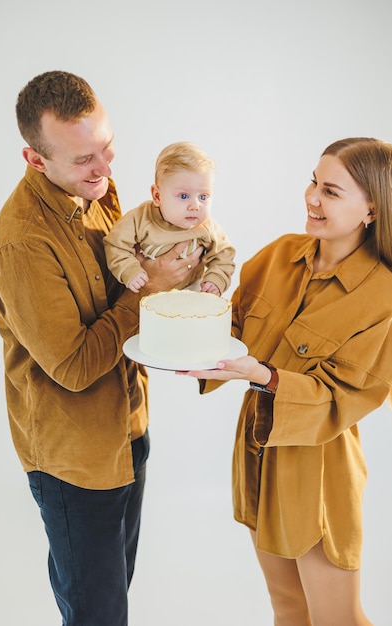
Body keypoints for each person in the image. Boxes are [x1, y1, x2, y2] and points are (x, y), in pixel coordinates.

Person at [0, 70, 203, 626]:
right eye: (84, 159)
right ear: (36, 160)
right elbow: (76, 367)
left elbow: (126, 286)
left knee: (111, 599)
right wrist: (151, 286)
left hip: (127, 431)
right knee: (97, 615)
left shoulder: (98, 190)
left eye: (106, 147)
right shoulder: (22, 244)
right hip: (75, 464)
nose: (104, 168)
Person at [180, 137, 392, 625]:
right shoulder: (280, 255)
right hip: (256, 451)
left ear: (372, 209)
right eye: (313, 182)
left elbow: (345, 395)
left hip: (319, 469)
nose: (312, 198)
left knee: (336, 617)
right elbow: (232, 328)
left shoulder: (382, 295)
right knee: (288, 608)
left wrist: (266, 376)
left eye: (332, 192)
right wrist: (186, 330)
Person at [103, 141, 236, 295]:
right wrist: (129, 270)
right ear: (157, 196)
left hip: (191, 290)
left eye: (203, 196)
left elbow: (224, 254)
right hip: (146, 294)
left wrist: (216, 279)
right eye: (184, 196)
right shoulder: (140, 218)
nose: (195, 205)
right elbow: (115, 245)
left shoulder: (207, 227)